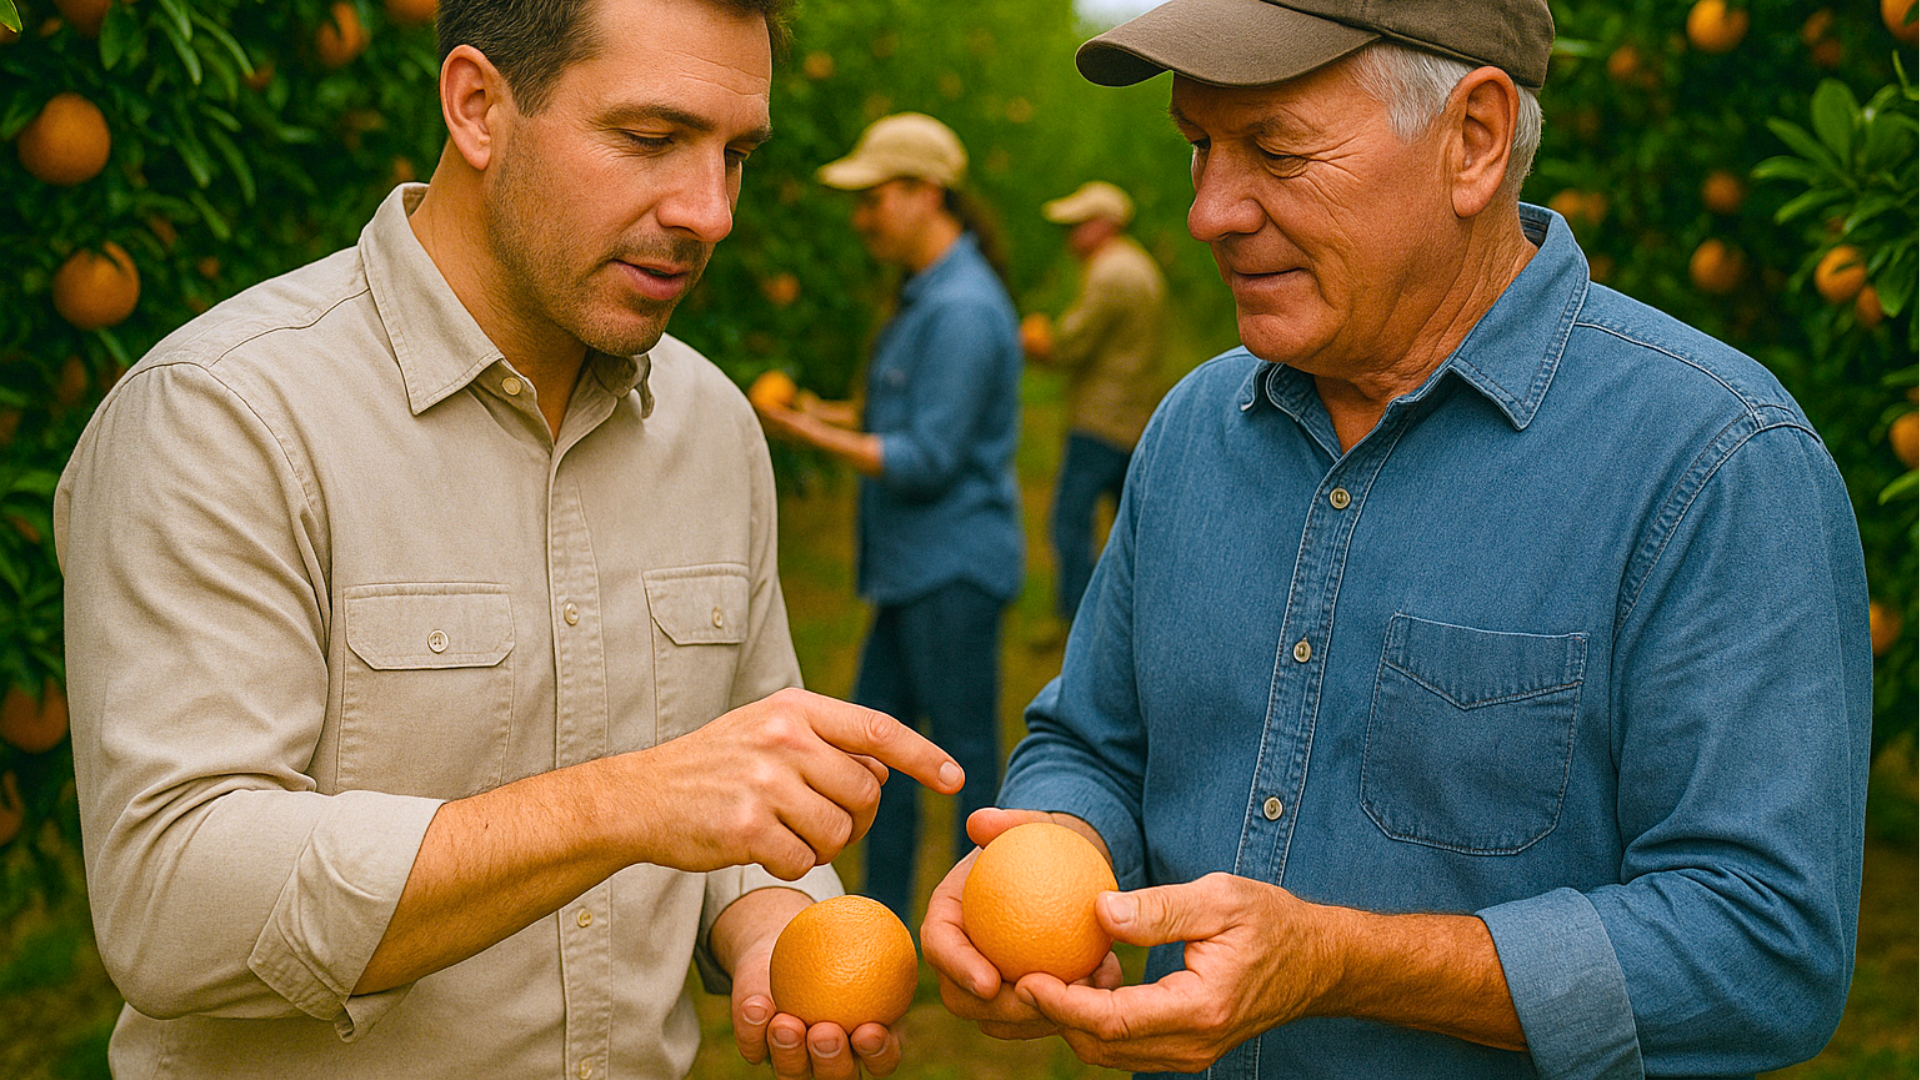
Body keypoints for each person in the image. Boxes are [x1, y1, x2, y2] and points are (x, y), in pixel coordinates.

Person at [922, 0, 1872, 1077]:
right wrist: (1051, 845)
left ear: (1473, 139)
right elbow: (1095, 742)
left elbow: (1765, 949)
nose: (1211, 212)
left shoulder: (1713, 461)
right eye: (1200, 148)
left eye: (1276, 151)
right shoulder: (1194, 429)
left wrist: (1340, 961)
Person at [53, 1, 967, 1077]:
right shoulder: (226, 418)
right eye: (651, 139)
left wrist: (769, 921)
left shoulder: (713, 428)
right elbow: (173, 907)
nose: (710, 211)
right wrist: (626, 803)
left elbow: (737, 793)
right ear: (478, 107)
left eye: (737, 155)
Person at [754, 113, 1023, 927]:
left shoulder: (964, 311)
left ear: (926, 193)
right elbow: (892, 416)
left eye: (876, 198)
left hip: (951, 569)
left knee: (962, 757)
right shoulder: (923, 298)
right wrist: (823, 409)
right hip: (912, 570)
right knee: (880, 756)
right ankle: (885, 918)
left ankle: (1002, 915)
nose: (863, 216)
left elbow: (926, 457)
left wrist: (804, 433)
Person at [1022, 180, 1167, 639]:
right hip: (1135, 414)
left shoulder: (1110, 274)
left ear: (1104, 225)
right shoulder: (1141, 266)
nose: (1069, 236)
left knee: (1070, 525)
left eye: (1077, 225)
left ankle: (1076, 625)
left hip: (1100, 420)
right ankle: (1137, 623)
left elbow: (1071, 347)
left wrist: (1036, 343)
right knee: (1130, 531)